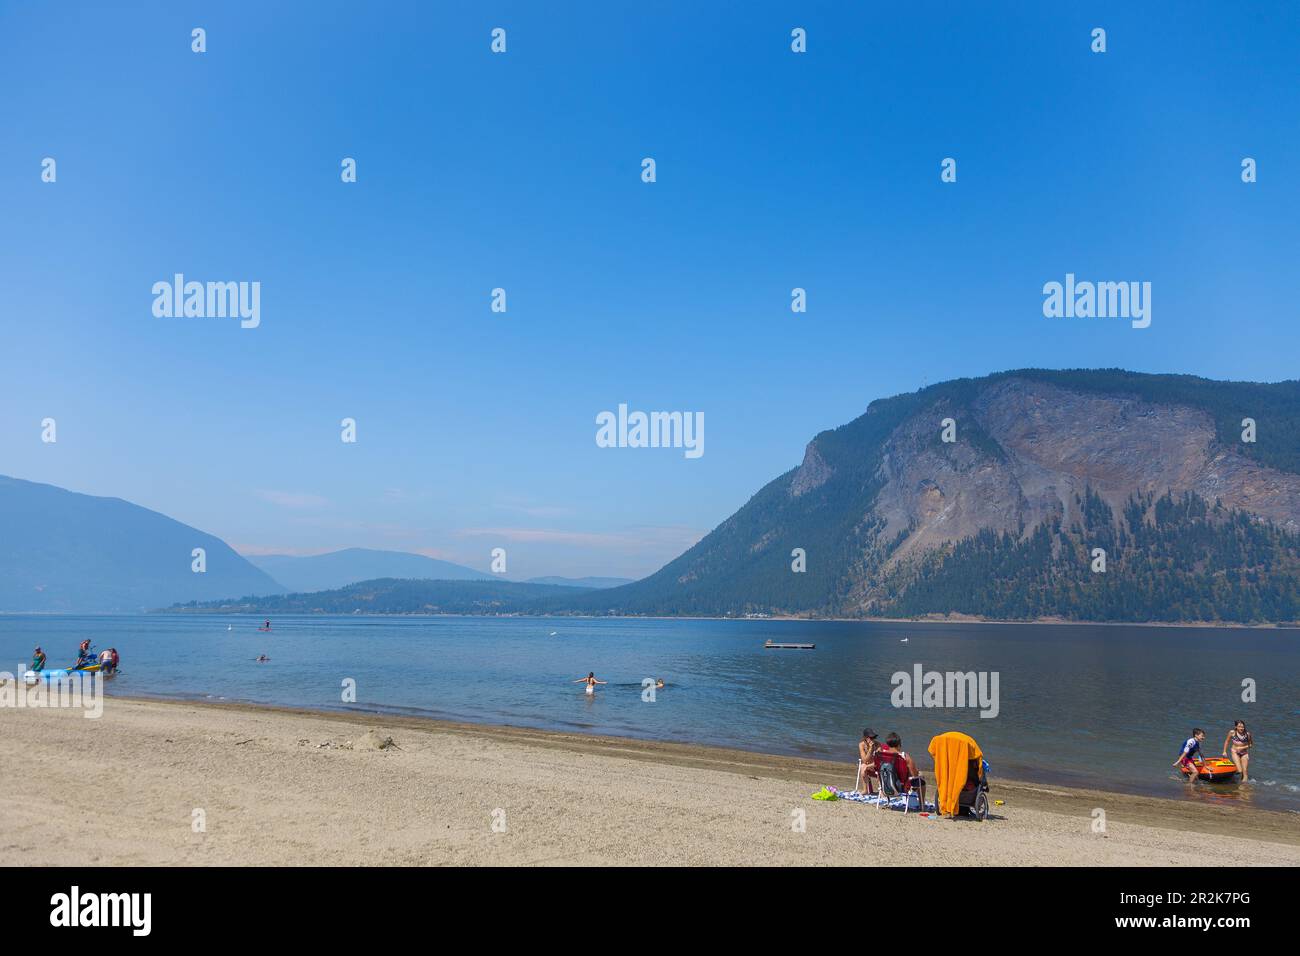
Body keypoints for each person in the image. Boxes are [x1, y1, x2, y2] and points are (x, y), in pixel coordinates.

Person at [875, 733, 927, 808]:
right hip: (901, 787)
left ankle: (887, 801)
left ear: (888, 744)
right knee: (921, 779)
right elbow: (915, 774)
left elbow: (877, 770)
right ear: (899, 744)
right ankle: (922, 805)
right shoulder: (904, 756)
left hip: (885, 786)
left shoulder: (882, 755)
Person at [857, 729, 880, 794]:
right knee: (863, 766)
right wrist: (870, 749)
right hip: (867, 766)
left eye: (874, 737)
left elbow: (879, 761)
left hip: (876, 765)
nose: (873, 739)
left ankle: (881, 791)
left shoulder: (878, 745)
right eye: (871, 738)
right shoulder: (861, 745)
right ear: (865, 738)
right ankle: (865, 790)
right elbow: (864, 760)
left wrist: (873, 748)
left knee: (864, 766)